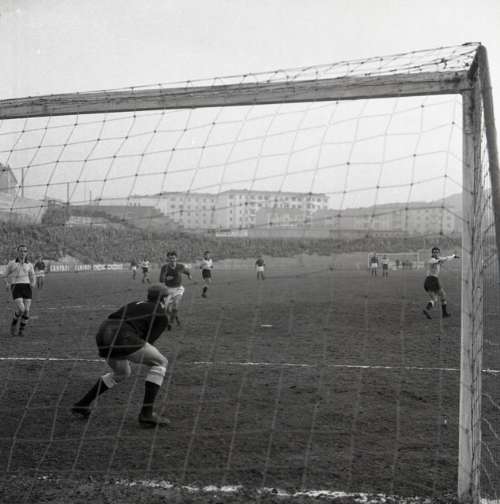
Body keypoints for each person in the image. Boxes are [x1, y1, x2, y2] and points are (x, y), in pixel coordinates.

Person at [71, 284, 172, 427]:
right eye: (169, 297)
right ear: (164, 298)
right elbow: (147, 342)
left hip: (103, 332)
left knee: (122, 373)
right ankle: (147, 414)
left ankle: (82, 404)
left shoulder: (135, 303)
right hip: (122, 335)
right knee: (161, 362)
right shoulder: (161, 314)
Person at [4, 245, 36, 336]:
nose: (23, 253)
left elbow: (33, 275)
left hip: (27, 287)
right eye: (21, 251)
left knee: (26, 311)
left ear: (27, 253)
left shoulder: (29, 264)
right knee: (22, 309)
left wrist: (33, 282)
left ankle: (21, 330)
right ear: (18, 252)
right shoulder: (12, 263)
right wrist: (7, 283)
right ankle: (14, 323)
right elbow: (5, 275)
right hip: (16, 286)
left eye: (25, 251)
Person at [422, 246, 459, 320]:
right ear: (432, 253)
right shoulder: (431, 260)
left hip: (428, 281)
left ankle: (426, 310)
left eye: (437, 252)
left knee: (435, 299)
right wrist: (444, 259)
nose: (435, 253)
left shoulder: (438, 258)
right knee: (443, 295)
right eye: (434, 252)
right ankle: (444, 313)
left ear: (439, 253)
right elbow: (439, 260)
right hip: (432, 280)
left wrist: (453, 256)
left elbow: (446, 258)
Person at [159, 251, 192, 326]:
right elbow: (161, 280)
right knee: (167, 309)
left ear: (176, 258)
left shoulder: (180, 266)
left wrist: (189, 275)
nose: (172, 260)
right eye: (170, 258)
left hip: (178, 289)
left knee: (175, 304)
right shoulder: (165, 267)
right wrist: (166, 278)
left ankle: (171, 321)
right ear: (168, 259)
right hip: (168, 289)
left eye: (173, 258)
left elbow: (186, 271)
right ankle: (176, 318)